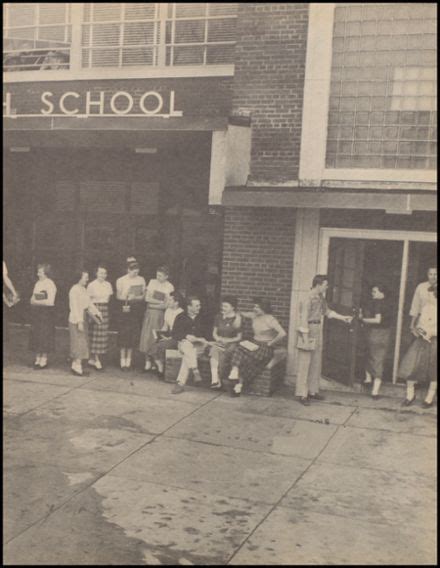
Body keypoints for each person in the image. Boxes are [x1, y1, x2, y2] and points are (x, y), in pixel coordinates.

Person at [296, 275, 353, 406]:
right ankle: (302, 394)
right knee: (305, 362)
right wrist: (305, 337)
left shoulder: (321, 298)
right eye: (325, 284)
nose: (327, 287)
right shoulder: (307, 297)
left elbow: (327, 312)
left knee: (316, 361)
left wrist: (343, 317)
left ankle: (312, 391)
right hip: (307, 329)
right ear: (318, 284)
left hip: (317, 328)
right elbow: (303, 318)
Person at [227, 298, 286, 397]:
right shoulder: (254, 316)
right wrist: (237, 316)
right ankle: (238, 383)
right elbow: (241, 313)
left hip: (264, 348)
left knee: (240, 349)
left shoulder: (270, 319)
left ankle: (235, 372)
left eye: (257, 307)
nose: (254, 309)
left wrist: (271, 343)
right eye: (254, 306)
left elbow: (283, 333)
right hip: (253, 345)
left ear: (264, 308)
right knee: (244, 360)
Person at [399, 283, 437, 408]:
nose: (432, 296)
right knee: (411, 366)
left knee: (434, 370)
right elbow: (420, 324)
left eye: (435, 293)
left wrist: (432, 333)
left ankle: (429, 398)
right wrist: (420, 330)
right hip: (421, 341)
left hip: (435, 341)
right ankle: (410, 395)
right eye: (431, 293)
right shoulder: (426, 308)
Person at [358, 284, 392, 399]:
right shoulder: (389, 303)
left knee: (373, 357)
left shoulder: (378, 303)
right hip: (385, 334)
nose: (372, 294)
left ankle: (374, 390)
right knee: (377, 358)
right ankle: (370, 382)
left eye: (375, 292)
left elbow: (377, 320)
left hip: (376, 333)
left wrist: (362, 319)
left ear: (382, 293)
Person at [139, 265, 175, 372]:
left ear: (166, 277)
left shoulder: (170, 286)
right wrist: (160, 302)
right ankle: (147, 361)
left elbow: (167, 305)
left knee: (157, 338)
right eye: (157, 275)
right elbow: (147, 298)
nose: (158, 277)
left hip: (161, 315)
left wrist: (154, 303)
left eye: (160, 276)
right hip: (150, 313)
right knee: (147, 337)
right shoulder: (152, 282)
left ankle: (156, 361)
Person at [171, 296, 208, 394]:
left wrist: (199, 338)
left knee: (187, 355)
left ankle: (180, 383)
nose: (199, 307)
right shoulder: (180, 317)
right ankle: (195, 370)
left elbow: (207, 334)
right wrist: (186, 336)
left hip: (199, 346)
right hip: (185, 345)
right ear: (189, 307)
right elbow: (174, 334)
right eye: (196, 306)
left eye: (199, 305)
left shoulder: (203, 317)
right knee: (187, 346)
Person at [69, 270, 103, 377]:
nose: (87, 279)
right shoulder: (74, 290)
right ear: (79, 277)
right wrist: (79, 321)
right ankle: (77, 365)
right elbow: (74, 307)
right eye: (85, 277)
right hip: (76, 318)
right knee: (78, 341)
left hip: (83, 317)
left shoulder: (83, 289)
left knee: (82, 341)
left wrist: (97, 312)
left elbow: (88, 303)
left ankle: (76, 364)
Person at [116, 257, 146, 371]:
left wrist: (136, 297)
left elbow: (143, 296)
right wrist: (127, 296)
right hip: (124, 307)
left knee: (132, 334)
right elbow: (118, 296)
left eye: (137, 271)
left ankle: (129, 360)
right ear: (128, 270)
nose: (135, 273)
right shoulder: (121, 280)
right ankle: (122, 360)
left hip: (135, 308)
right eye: (133, 271)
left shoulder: (141, 279)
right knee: (123, 334)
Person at [208, 296, 243, 389]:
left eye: (226, 306)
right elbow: (214, 332)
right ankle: (215, 378)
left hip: (232, 343)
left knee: (223, 356)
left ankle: (219, 379)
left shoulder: (237, 319)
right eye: (223, 306)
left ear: (233, 307)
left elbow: (239, 337)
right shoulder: (219, 317)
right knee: (214, 350)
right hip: (220, 341)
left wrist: (227, 340)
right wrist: (218, 339)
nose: (223, 308)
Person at [150, 291, 185, 378]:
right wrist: (159, 334)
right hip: (169, 335)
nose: (167, 302)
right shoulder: (168, 311)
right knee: (152, 346)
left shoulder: (181, 313)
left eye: (170, 300)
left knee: (159, 347)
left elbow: (181, 331)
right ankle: (160, 366)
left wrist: (169, 338)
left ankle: (161, 369)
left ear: (176, 302)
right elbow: (165, 327)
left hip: (178, 337)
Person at [29, 264, 57, 369]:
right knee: (36, 334)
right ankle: (37, 357)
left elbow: (50, 301)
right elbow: (31, 299)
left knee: (45, 335)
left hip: (46, 314)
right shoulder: (37, 283)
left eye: (40, 271)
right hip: (37, 313)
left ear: (46, 273)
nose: (38, 273)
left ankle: (44, 359)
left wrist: (36, 301)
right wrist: (37, 300)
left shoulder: (50, 284)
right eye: (38, 271)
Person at [86, 265, 113, 370]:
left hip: (104, 309)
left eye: (105, 273)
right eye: (101, 273)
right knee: (94, 335)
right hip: (94, 309)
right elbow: (88, 300)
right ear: (96, 273)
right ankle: (95, 359)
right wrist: (94, 311)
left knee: (102, 335)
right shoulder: (91, 285)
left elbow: (108, 299)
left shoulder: (108, 285)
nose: (103, 275)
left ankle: (95, 358)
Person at [409, 266, 437, 338]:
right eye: (431, 274)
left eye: (435, 274)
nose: (433, 277)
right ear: (427, 275)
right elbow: (415, 306)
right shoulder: (421, 287)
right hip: (423, 322)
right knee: (421, 344)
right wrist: (412, 324)